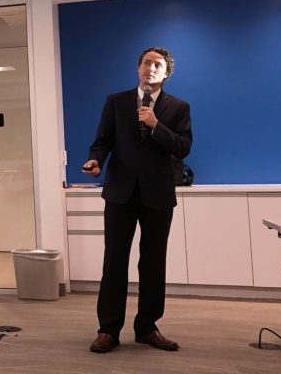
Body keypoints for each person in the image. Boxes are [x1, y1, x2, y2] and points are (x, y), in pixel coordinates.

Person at [83, 47, 192, 354]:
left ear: (166, 73)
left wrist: (157, 125)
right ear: (138, 68)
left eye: (157, 65)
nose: (150, 68)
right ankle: (108, 330)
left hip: (158, 195)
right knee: (114, 262)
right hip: (120, 193)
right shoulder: (116, 102)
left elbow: (183, 147)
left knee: (153, 263)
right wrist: (96, 161)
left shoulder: (179, 107)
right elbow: (102, 141)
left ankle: (146, 327)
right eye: (146, 63)